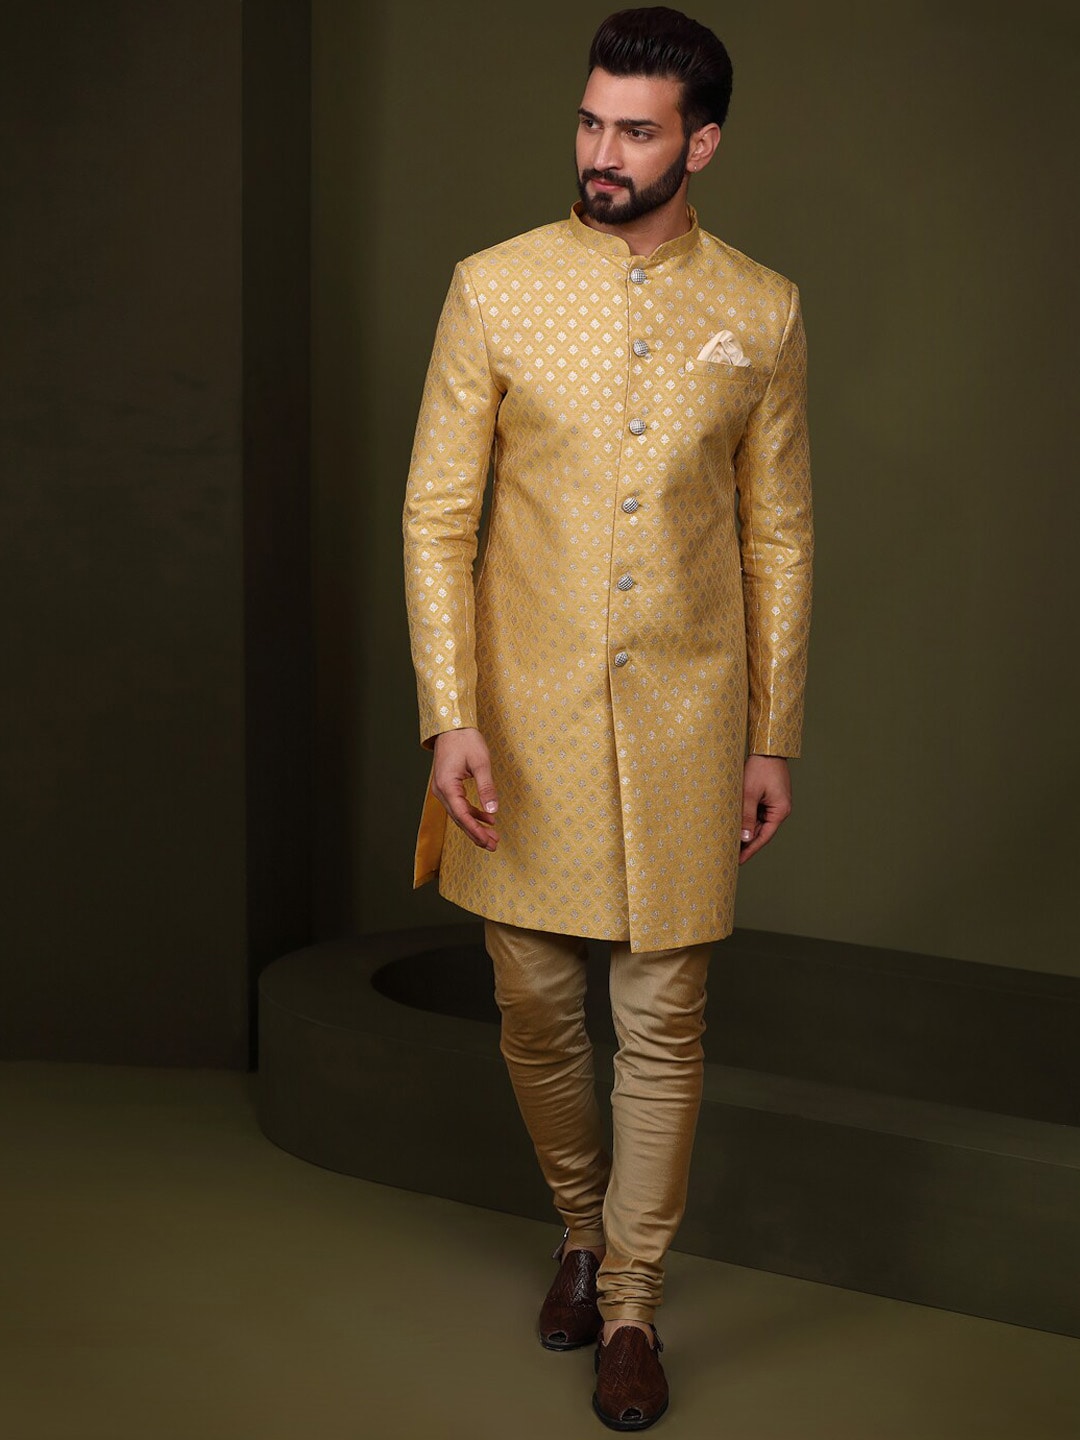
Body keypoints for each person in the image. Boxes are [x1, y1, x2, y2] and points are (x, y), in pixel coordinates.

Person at [403, 7, 812, 1429]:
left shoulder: (762, 310)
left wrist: (773, 733)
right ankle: (578, 1227)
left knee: (665, 1016)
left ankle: (631, 1300)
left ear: (701, 145)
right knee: (532, 1003)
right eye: (590, 121)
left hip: (693, 720)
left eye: (636, 131)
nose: (602, 151)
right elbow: (437, 515)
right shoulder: (494, 288)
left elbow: (779, 538)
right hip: (521, 726)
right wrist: (449, 714)